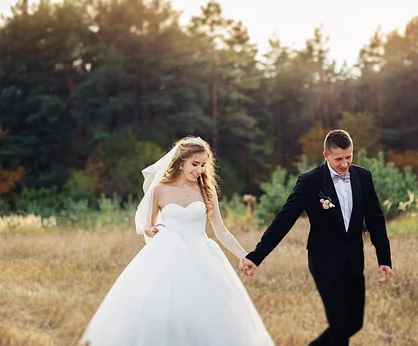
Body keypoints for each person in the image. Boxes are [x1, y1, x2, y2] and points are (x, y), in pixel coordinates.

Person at [79, 136, 273, 346]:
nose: (199, 170)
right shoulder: (159, 190)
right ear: (181, 161)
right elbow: (146, 225)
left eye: (203, 165)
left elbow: (221, 229)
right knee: (161, 309)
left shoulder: (206, 192)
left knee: (205, 312)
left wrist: (246, 256)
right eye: (194, 164)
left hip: (201, 257)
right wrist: (149, 230)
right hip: (166, 256)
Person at [240, 129, 392, 346]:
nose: (344, 164)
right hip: (324, 261)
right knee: (340, 328)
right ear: (326, 155)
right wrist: (256, 256)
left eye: (349, 157)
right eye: (338, 159)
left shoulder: (363, 177)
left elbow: (376, 220)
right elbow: (284, 220)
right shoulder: (310, 181)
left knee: (354, 323)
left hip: (354, 260)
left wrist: (384, 259)